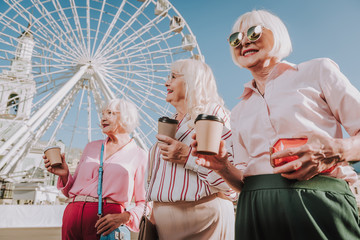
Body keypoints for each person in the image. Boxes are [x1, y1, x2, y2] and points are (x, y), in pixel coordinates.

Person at [191, 9, 360, 240]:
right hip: (254, 208)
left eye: (253, 32)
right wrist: (222, 167)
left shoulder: (318, 71)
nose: (244, 43)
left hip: (319, 198)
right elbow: (244, 181)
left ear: (277, 34)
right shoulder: (239, 111)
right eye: (235, 39)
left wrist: (335, 151)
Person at [147, 58, 236, 240]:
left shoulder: (213, 115)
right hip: (163, 226)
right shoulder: (171, 121)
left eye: (173, 76)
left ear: (192, 80)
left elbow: (232, 182)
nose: (166, 82)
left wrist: (188, 157)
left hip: (204, 222)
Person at [43, 98, 148, 240]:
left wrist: (124, 217)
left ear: (126, 117)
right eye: (103, 113)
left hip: (106, 221)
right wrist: (64, 174)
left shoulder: (140, 155)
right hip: (72, 216)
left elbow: (145, 202)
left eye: (110, 113)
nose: (103, 117)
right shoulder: (91, 147)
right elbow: (69, 192)